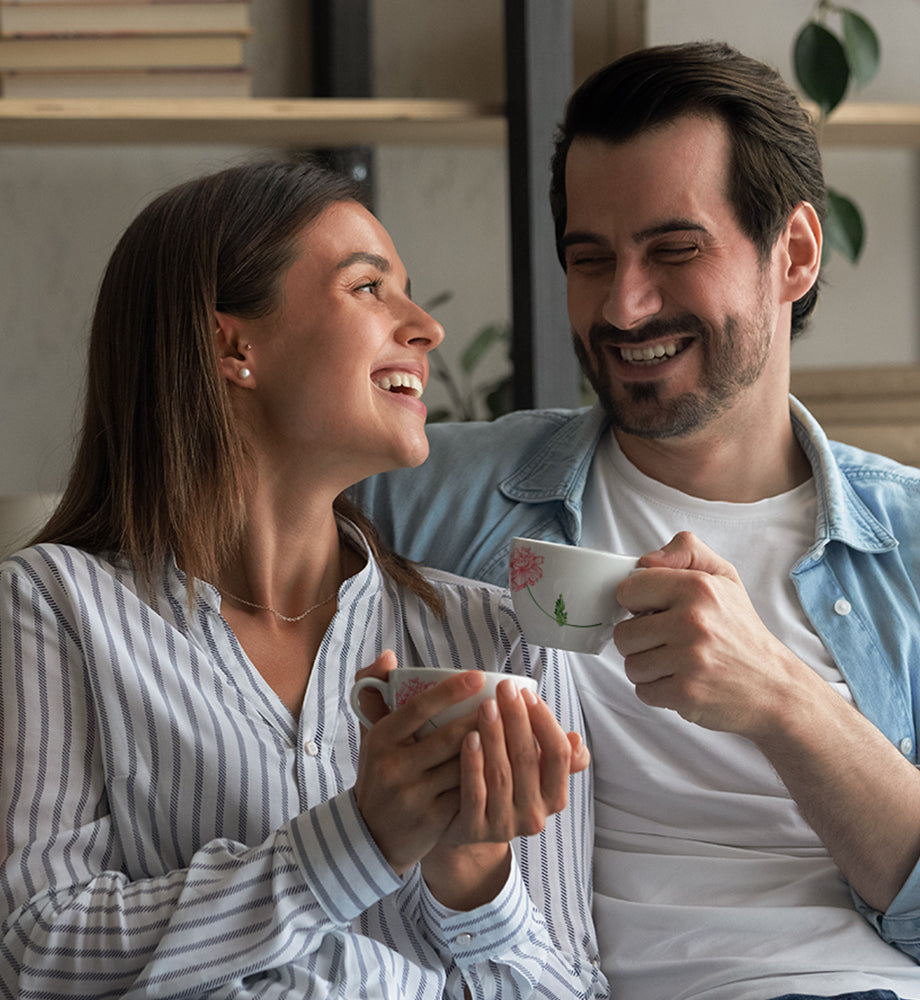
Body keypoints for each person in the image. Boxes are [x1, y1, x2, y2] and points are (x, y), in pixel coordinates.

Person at [352, 41, 920, 1000]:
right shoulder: (427, 491)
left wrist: (782, 698)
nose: (624, 304)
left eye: (674, 251)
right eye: (590, 259)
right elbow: (191, 509)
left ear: (796, 254)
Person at [0, 159, 609, 998]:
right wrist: (359, 839)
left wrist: (473, 875)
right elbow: (37, 951)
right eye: (369, 289)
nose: (425, 327)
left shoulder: (502, 640)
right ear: (233, 346)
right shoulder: (54, 607)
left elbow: (572, 989)